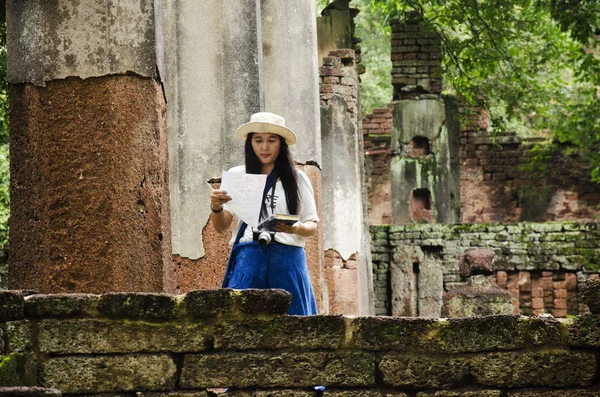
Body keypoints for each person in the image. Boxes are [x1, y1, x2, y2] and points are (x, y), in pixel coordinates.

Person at [209, 112, 318, 315]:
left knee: (295, 324)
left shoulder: (298, 179)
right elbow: (221, 226)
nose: (264, 147)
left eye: (271, 140)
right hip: (249, 257)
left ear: (281, 144)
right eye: (258, 140)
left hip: (288, 259)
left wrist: (296, 228)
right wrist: (216, 206)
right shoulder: (237, 176)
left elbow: (312, 225)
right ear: (250, 143)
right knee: (241, 323)